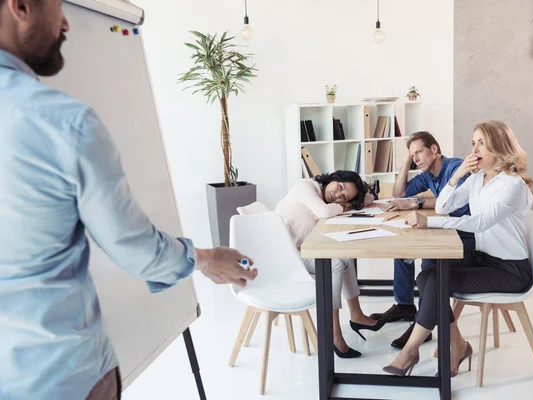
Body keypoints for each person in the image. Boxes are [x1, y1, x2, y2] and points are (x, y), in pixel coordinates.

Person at [0, 1, 256, 399]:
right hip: (58, 376)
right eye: (57, 6)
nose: (67, 20)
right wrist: (208, 258)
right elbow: (136, 249)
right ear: (21, 6)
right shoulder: (62, 122)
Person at [383, 121, 533, 377]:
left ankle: (412, 350)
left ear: (499, 146)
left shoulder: (512, 185)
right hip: (484, 259)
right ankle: (457, 345)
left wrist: (428, 221)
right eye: (473, 143)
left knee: (434, 280)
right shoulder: (478, 178)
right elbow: (444, 206)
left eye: (481, 143)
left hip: (510, 271)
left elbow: (480, 222)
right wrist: (455, 178)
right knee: (426, 276)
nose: (474, 150)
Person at [369, 131, 475, 348]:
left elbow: (457, 203)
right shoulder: (428, 174)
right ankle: (405, 305)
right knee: (403, 250)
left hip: (465, 236)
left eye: (419, 152)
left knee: (428, 260)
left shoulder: (455, 168)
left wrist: (416, 204)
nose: (416, 158)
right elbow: (400, 193)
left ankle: (422, 327)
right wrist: (408, 160)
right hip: (446, 228)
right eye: (412, 155)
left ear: (434, 149)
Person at [275, 171, 386, 358]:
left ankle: (356, 315)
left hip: (300, 251)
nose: (338, 195)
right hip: (284, 257)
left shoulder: (326, 199)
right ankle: (333, 334)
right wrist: (345, 205)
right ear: (333, 178)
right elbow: (324, 213)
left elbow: (366, 199)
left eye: (345, 197)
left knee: (346, 256)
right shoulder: (306, 186)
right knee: (334, 264)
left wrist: (355, 199)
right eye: (340, 187)